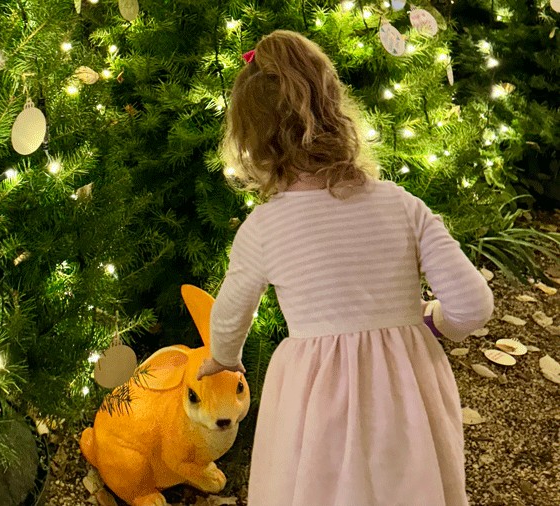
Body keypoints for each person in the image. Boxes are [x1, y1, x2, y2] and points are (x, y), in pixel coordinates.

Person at [196, 31, 493, 506]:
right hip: (407, 384)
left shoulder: (263, 227)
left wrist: (224, 358)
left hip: (317, 393)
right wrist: (435, 320)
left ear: (251, 140)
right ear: (337, 109)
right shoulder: (401, 205)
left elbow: (230, 316)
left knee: (320, 485)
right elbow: (474, 305)